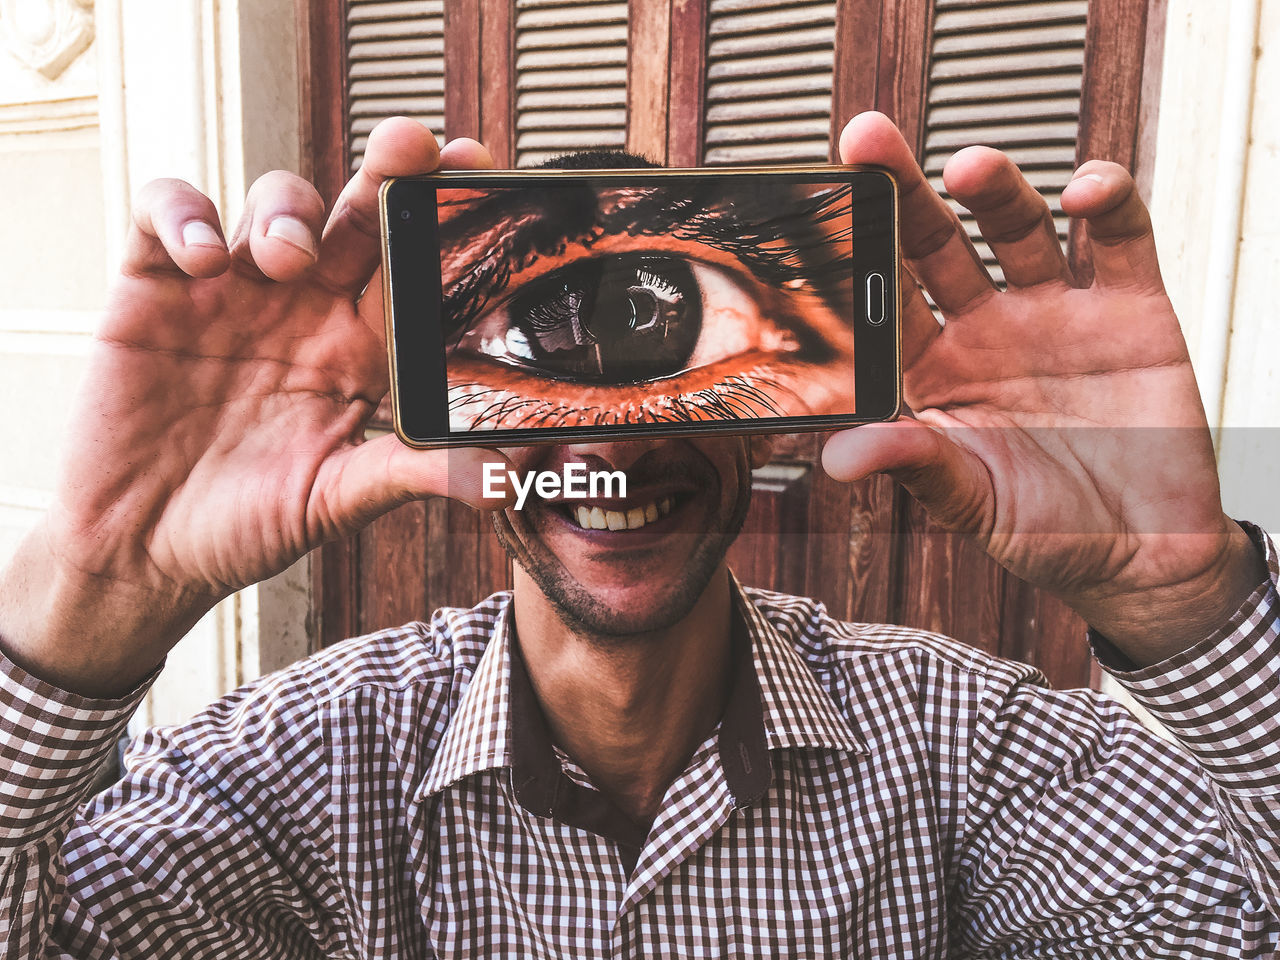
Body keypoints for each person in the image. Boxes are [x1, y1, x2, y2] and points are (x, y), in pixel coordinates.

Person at [0, 111, 1276, 957]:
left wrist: (1181, 599)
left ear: (772, 416)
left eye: (682, 350)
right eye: (530, 354)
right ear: (447, 413)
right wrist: (100, 582)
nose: (605, 445)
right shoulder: (306, 763)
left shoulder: (961, 753)